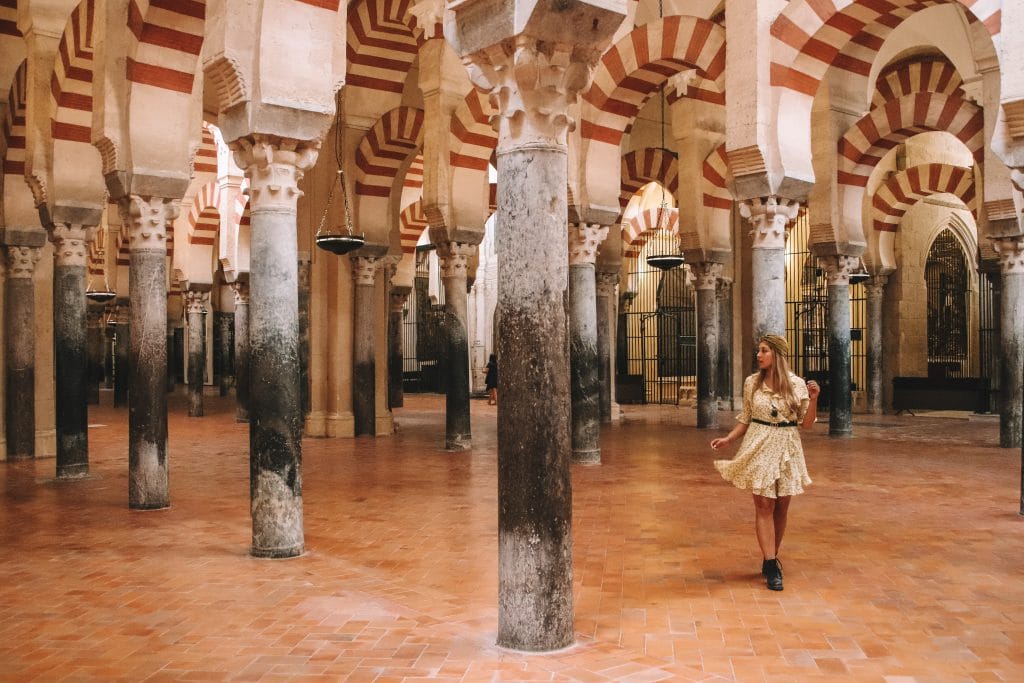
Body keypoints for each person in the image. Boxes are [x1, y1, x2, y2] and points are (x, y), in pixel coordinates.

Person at [710, 334, 819, 591]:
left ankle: (770, 556)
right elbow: (746, 417)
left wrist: (814, 399)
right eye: (758, 351)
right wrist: (729, 438)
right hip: (759, 442)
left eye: (764, 351)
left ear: (777, 355)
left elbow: (806, 424)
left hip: (787, 445)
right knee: (764, 503)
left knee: (781, 507)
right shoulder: (752, 383)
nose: (758, 356)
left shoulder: (796, 384)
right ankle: (771, 564)